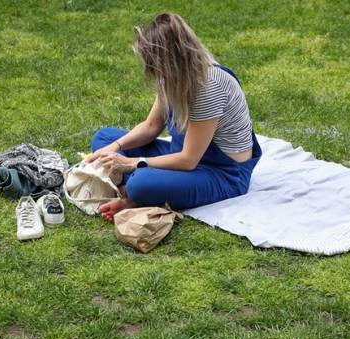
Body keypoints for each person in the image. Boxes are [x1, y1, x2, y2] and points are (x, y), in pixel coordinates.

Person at [87, 12, 262, 222]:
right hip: (181, 154)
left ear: (168, 60)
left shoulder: (208, 87)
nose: (149, 68)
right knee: (104, 138)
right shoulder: (170, 76)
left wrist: (131, 164)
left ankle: (134, 194)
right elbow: (152, 125)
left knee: (141, 183)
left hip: (222, 172)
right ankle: (140, 189)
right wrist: (114, 148)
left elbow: (188, 161)